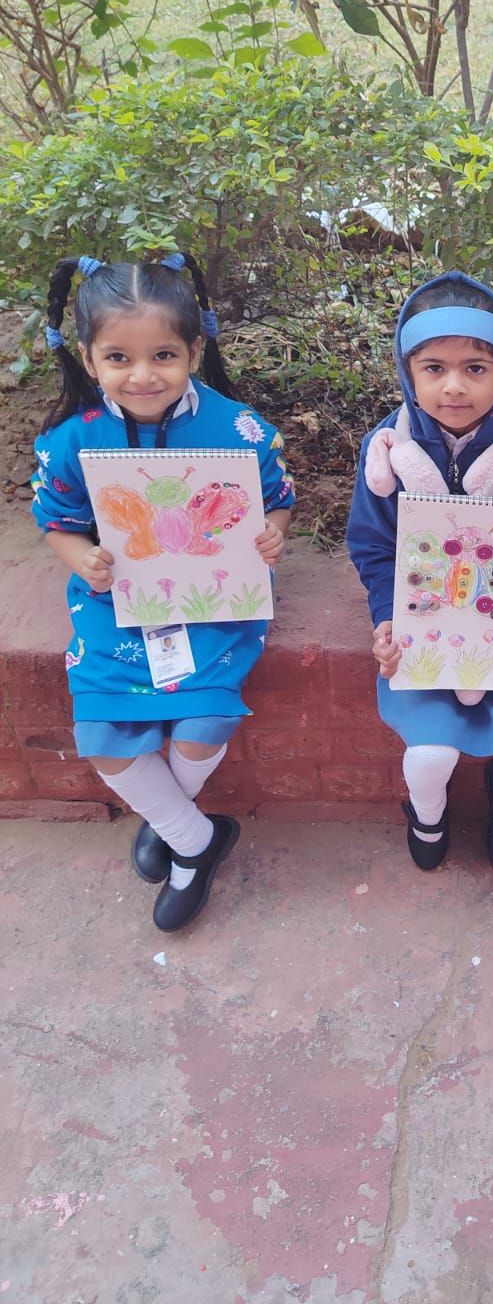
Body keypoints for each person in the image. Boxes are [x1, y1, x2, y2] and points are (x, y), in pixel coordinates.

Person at [31, 253, 294, 931]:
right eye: (119, 357)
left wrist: (272, 533)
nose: (142, 375)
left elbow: (277, 500)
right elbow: (55, 521)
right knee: (104, 739)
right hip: (115, 603)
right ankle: (195, 839)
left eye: (164, 355)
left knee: (204, 728)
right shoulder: (72, 439)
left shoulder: (237, 428)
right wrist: (82, 557)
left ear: (194, 351)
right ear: (89, 358)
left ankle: (171, 824)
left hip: (215, 603)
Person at [346, 272, 493, 869]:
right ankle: (427, 814)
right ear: (408, 375)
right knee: (431, 755)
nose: (454, 386)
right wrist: (386, 619)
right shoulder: (387, 452)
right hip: (420, 632)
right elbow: (372, 547)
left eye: (475, 368)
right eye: (433, 368)